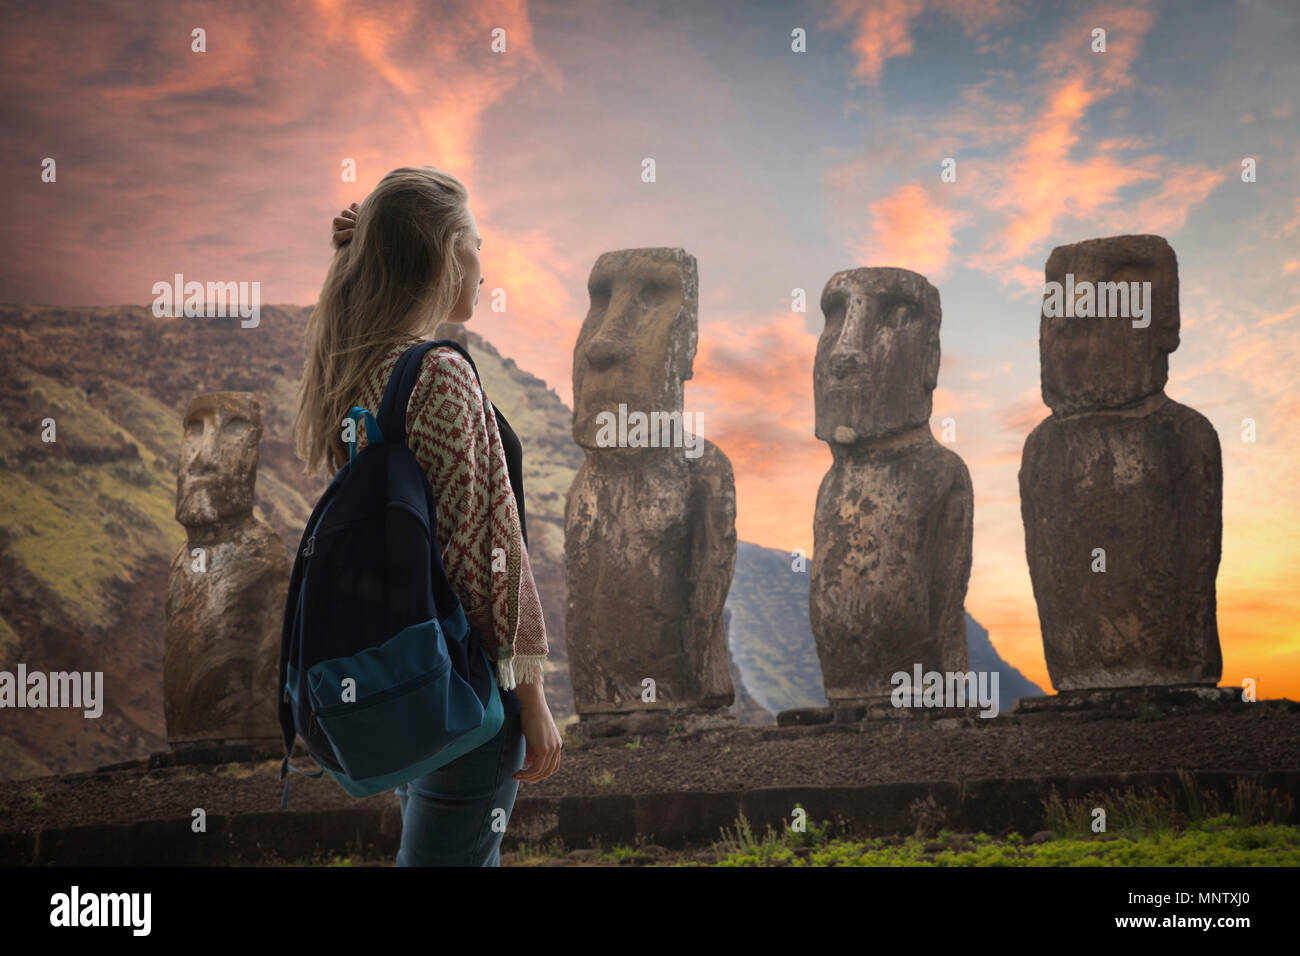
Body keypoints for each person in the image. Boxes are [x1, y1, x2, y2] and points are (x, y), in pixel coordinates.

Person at [293, 165, 562, 866]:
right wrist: (529, 698)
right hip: (469, 693)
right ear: (447, 253)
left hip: (407, 680)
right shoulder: (439, 372)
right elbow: (485, 552)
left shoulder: (356, 370)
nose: (484, 261)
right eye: (476, 240)